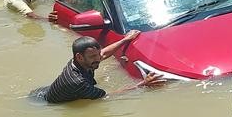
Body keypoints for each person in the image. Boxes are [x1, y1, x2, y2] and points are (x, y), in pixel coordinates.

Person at [32, 32, 163, 103]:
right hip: (43, 103)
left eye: (97, 54)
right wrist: (143, 84)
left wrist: (125, 39)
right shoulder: (78, 82)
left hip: (45, 91)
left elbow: (104, 53)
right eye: (93, 56)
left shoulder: (79, 61)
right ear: (79, 57)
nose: (98, 59)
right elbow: (108, 96)